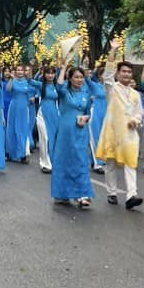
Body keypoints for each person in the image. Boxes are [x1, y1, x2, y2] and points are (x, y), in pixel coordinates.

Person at [95, 41, 144, 210]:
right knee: (110, 163)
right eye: (123, 71)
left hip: (129, 134)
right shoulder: (111, 88)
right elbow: (107, 73)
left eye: (129, 72)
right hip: (113, 133)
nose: (126, 74)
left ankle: (131, 195)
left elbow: (140, 112)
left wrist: (135, 120)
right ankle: (112, 192)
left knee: (130, 163)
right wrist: (113, 50)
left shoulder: (135, 94)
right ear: (117, 74)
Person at [51, 64, 93, 208]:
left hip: (80, 132)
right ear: (70, 79)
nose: (79, 80)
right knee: (64, 161)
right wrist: (62, 69)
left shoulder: (85, 94)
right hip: (65, 133)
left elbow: (88, 112)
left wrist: (85, 118)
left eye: (81, 77)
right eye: (76, 77)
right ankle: (63, 194)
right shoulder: (65, 93)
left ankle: (82, 195)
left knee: (80, 161)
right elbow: (58, 86)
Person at [4, 64, 33, 164]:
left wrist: (32, 98)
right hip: (14, 106)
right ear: (15, 71)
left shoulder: (27, 82)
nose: (20, 72)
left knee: (23, 129)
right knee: (11, 129)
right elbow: (7, 89)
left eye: (22, 70)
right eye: (18, 70)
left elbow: (32, 94)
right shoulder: (13, 81)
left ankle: (23, 154)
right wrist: (11, 79)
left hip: (24, 108)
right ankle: (10, 152)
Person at [33, 66, 58, 174]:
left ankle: (53, 162)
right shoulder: (40, 85)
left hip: (55, 115)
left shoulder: (57, 86)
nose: (50, 75)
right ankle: (45, 164)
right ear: (44, 74)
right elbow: (30, 80)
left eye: (52, 73)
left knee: (53, 139)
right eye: (48, 73)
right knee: (45, 138)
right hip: (42, 114)